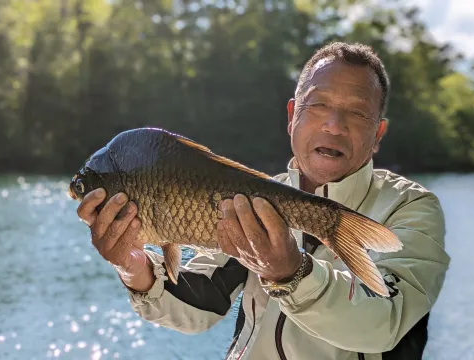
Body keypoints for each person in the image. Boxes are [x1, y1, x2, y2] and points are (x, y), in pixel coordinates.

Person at [76, 41, 450, 360]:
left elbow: (384, 323)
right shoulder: (251, 196)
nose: (334, 125)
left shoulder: (410, 208)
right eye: (318, 105)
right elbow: (201, 305)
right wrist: (134, 268)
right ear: (292, 116)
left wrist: (291, 273)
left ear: (378, 134)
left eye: (356, 112)